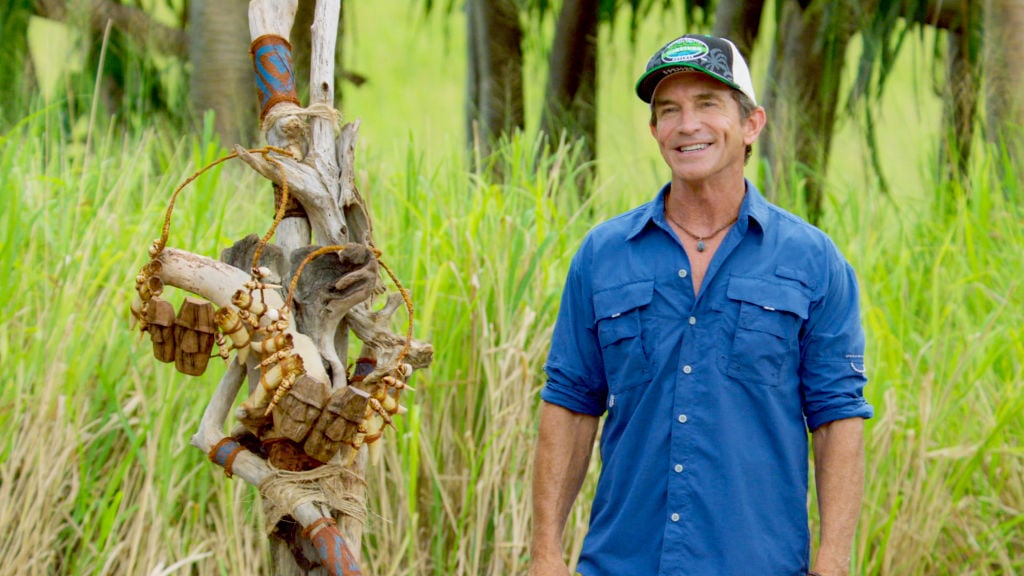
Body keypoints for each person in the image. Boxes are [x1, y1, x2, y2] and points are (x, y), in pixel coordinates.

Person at [529, 34, 873, 576]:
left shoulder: (812, 260)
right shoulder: (603, 256)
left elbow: (837, 419)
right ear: (655, 131)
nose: (687, 124)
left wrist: (832, 564)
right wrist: (546, 557)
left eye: (707, 104)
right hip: (623, 563)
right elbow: (571, 406)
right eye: (669, 110)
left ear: (751, 124)